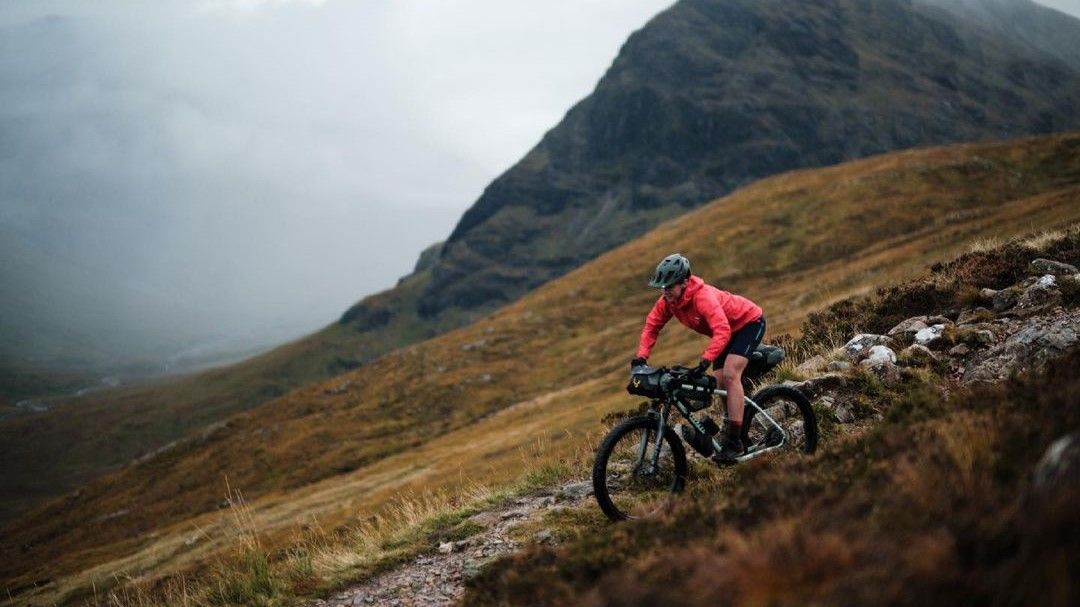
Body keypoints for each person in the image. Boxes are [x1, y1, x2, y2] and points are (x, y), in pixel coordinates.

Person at [630, 253, 765, 462]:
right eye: (662, 288)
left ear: (684, 282)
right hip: (726, 332)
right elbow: (651, 326)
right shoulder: (669, 301)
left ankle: (735, 441)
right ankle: (732, 428)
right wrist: (641, 357)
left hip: (749, 323)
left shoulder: (703, 297)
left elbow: (722, 330)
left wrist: (705, 360)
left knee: (730, 374)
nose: (665, 292)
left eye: (670, 287)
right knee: (719, 381)